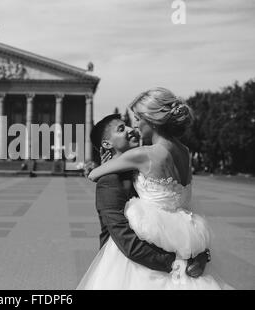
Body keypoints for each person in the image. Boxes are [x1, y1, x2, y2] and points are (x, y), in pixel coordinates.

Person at [79, 87, 232, 289]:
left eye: (136, 119)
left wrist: (96, 166)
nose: (135, 126)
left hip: (154, 262)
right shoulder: (184, 152)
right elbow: (124, 238)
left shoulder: (144, 155)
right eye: (122, 128)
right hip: (178, 244)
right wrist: (187, 259)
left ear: (150, 119)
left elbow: (92, 174)